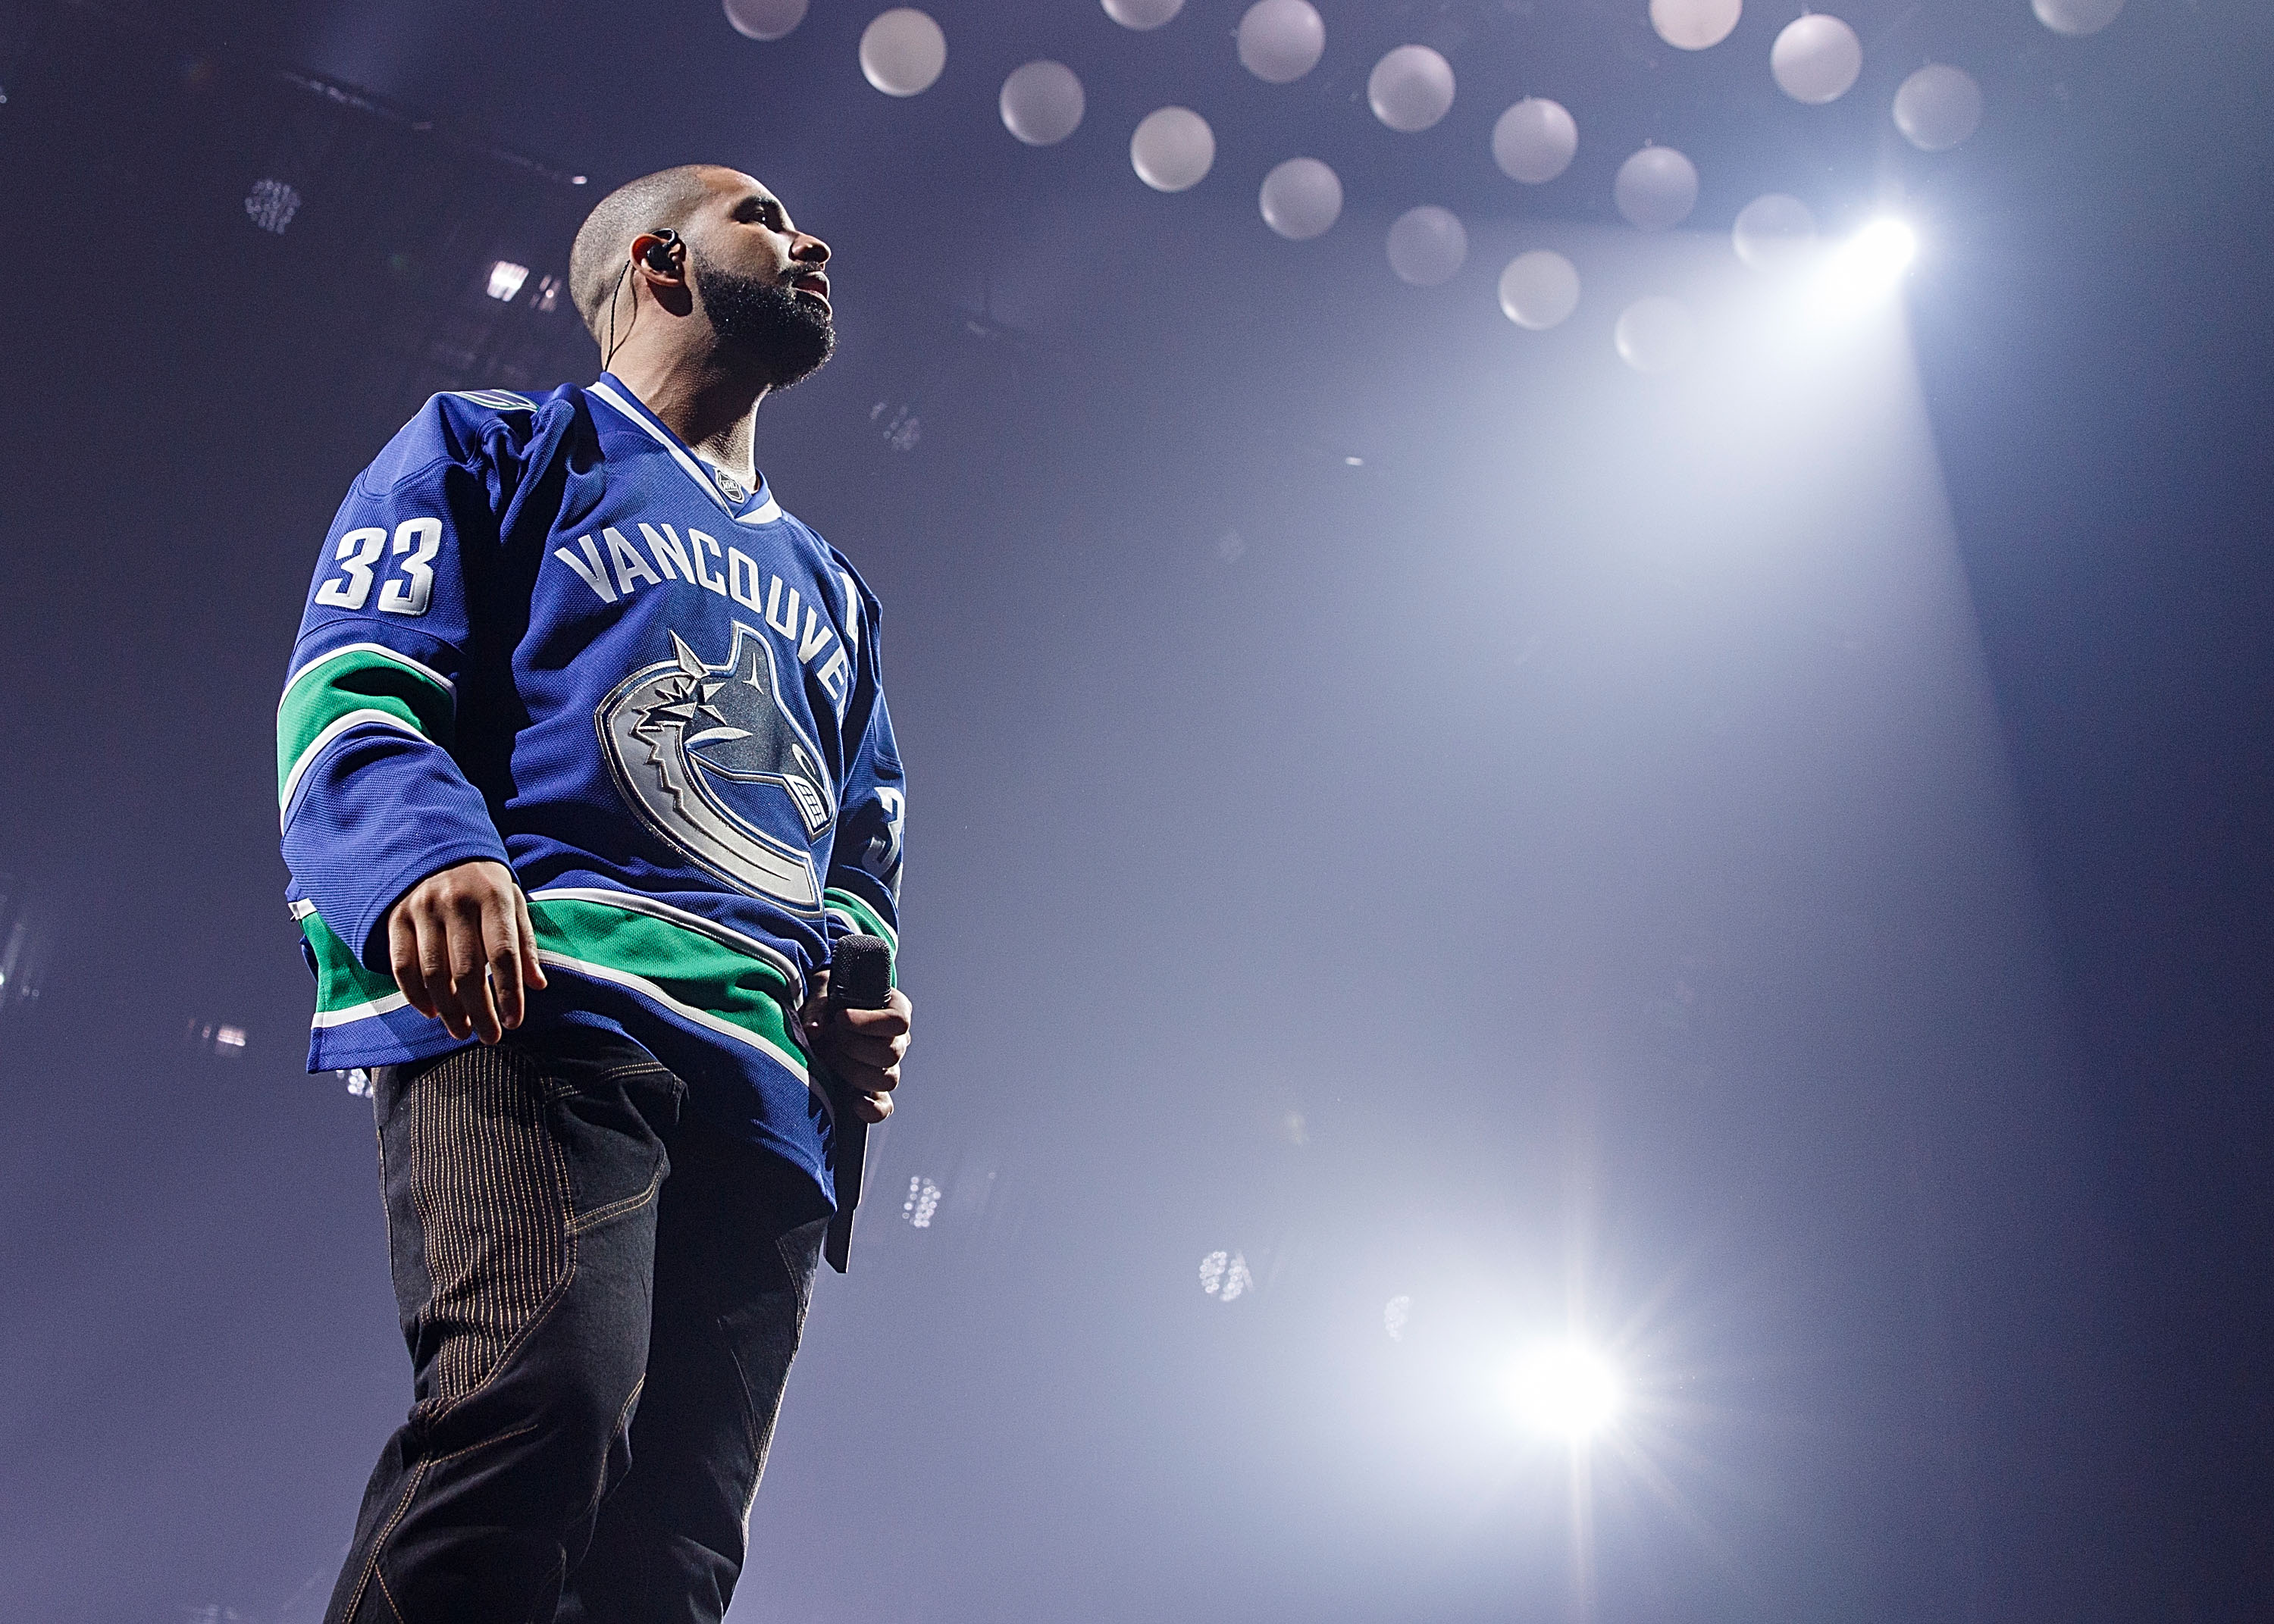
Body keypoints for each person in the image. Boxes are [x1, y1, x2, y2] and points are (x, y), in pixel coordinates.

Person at [277, 164, 913, 1622]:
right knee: (536, 1411)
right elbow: (357, 684)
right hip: (554, 1002)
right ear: (660, 261)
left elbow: (860, 842)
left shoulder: (835, 590)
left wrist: (861, 990)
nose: (808, 236)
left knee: (675, 1555)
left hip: (762, 1083)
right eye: (760, 214)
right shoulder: (497, 447)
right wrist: (424, 854)